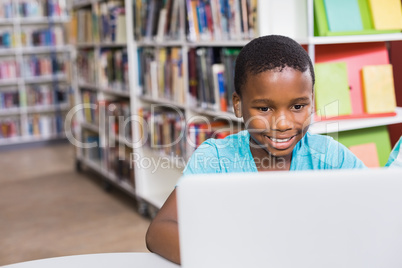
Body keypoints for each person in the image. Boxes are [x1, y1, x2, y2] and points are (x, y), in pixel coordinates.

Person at [145, 35, 366, 264]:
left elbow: (376, 212)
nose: (283, 124)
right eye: (264, 108)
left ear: (312, 100)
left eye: (298, 106)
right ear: (238, 105)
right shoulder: (216, 158)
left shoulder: (331, 157)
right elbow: (159, 231)